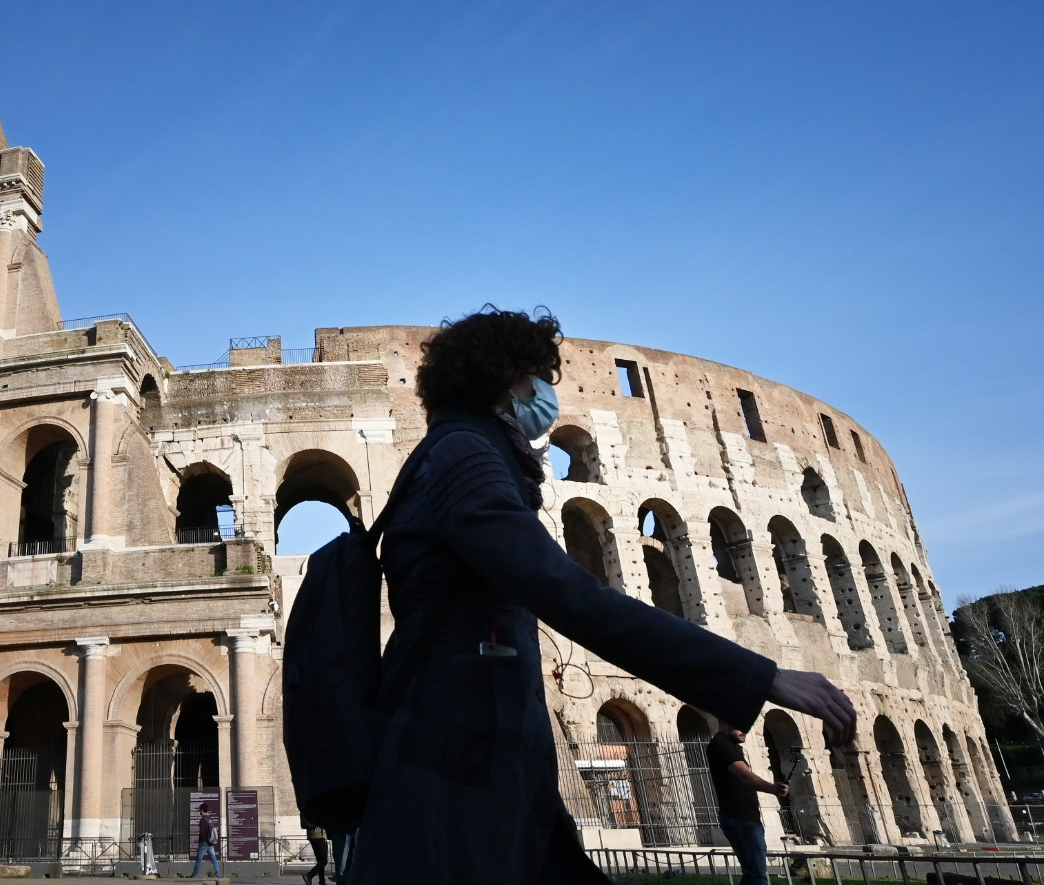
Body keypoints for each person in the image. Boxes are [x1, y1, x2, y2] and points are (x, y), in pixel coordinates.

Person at [350, 307, 857, 883]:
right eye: (537, 375)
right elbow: (569, 593)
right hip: (458, 756)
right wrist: (759, 676)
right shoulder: (465, 459)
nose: (545, 391)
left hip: (470, 749)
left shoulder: (455, 453)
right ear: (507, 379)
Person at [708, 722, 788, 884]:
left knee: (753, 873)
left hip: (744, 818)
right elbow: (744, 775)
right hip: (740, 819)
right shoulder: (721, 744)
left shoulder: (729, 745)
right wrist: (772, 788)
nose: (745, 731)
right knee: (757, 874)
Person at [190, 802, 221, 878]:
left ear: (203, 810)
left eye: (200, 810)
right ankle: (218, 874)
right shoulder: (210, 819)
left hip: (204, 843)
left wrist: (199, 841)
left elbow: (202, 832)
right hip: (210, 842)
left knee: (199, 859)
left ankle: (194, 875)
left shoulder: (203, 820)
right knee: (213, 858)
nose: (200, 812)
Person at [301, 813, 329, 885]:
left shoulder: (307, 806)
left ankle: (322, 881)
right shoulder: (316, 806)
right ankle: (309, 875)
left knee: (320, 860)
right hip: (318, 835)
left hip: (313, 836)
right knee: (324, 861)